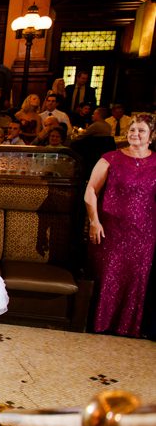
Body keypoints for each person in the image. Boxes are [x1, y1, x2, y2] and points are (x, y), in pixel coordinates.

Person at [84, 114, 156, 338]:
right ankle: (99, 324)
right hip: (111, 229)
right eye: (132, 129)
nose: (135, 133)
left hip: (145, 232)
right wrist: (94, 221)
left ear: (151, 137)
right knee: (108, 276)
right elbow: (90, 191)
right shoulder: (110, 158)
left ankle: (128, 328)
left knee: (136, 279)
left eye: (141, 130)